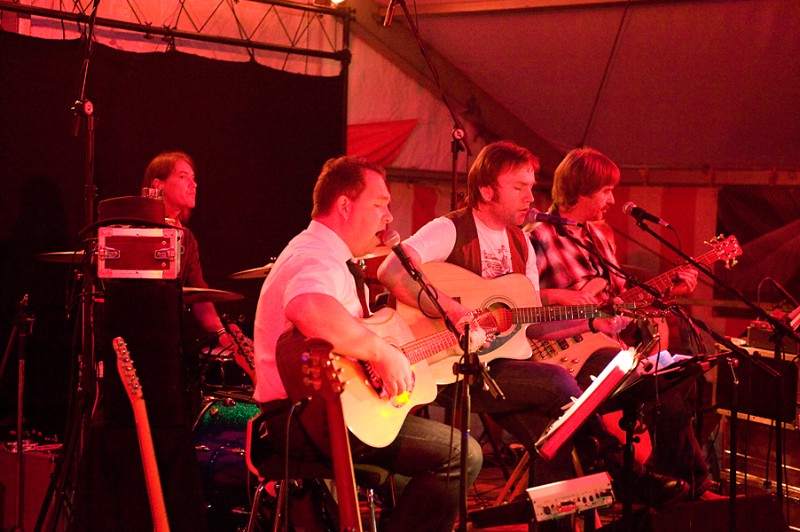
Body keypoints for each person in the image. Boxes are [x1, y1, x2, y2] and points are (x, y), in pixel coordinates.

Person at [377, 141, 688, 529]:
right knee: (558, 381)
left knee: (554, 443)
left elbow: (532, 323)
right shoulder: (450, 229)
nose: (530, 196)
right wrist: (451, 309)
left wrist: (588, 320)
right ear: (487, 190)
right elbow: (391, 270)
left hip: (503, 365)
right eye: (519, 187)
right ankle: (617, 464)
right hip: (449, 366)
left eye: (531, 186)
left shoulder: (520, 242)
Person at [252, 156, 482, 532]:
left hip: (324, 416)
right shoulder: (315, 256)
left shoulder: (328, 256)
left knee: (417, 480)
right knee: (462, 453)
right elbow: (308, 306)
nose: (388, 217)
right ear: (344, 205)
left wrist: (447, 343)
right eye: (379, 204)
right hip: (306, 422)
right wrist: (381, 352)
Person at [528, 146, 720, 500]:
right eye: (605, 191)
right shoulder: (536, 236)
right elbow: (525, 300)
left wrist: (669, 290)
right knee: (657, 382)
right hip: (565, 353)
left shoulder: (598, 237)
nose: (612, 200)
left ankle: (681, 485)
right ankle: (673, 486)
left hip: (608, 346)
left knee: (674, 377)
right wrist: (567, 303)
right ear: (580, 190)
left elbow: (621, 300)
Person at [141, 151, 235, 350]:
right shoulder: (138, 231)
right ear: (158, 185)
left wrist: (222, 334)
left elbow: (200, 296)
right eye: (183, 176)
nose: (194, 184)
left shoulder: (187, 238)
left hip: (170, 338)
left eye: (193, 177)